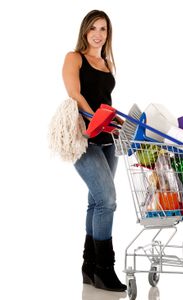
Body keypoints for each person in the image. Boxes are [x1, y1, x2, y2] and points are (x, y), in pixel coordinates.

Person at [62, 10, 126, 292]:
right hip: (84, 137)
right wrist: (95, 120)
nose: (98, 34)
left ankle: (89, 267)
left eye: (103, 29)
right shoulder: (74, 57)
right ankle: (104, 268)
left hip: (108, 140)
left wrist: (118, 123)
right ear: (84, 31)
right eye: (93, 29)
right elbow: (76, 95)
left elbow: (106, 100)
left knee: (96, 203)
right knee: (107, 200)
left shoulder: (106, 61)